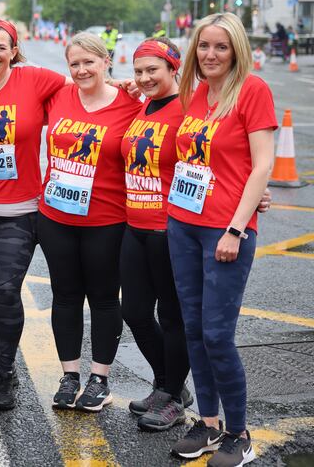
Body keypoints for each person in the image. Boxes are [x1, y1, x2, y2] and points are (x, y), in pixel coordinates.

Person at [167, 13, 276, 466]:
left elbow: (264, 164)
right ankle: (208, 425)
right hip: (183, 223)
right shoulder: (193, 94)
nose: (211, 55)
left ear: (237, 51)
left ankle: (239, 434)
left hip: (225, 229)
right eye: (205, 46)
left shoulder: (252, 90)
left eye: (222, 47)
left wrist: (236, 225)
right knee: (193, 328)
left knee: (217, 335)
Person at [0, 18, 69, 410]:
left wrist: (123, 88)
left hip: (21, 211)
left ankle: (6, 372)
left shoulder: (35, 80)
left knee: (6, 290)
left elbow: (84, 94)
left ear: (13, 51)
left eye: (1, 47)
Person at [39, 32, 141, 413]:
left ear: (106, 61)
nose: (82, 70)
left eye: (89, 62)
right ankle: (70, 377)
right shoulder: (59, 96)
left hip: (107, 219)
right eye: (75, 63)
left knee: (102, 298)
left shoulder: (131, 103)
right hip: (56, 217)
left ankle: (100, 379)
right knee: (65, 296)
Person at [119, 37, 194, 431]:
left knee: (172, 314)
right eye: (139, 71)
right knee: (133, 311)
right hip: (135, 225)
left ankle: (170, 396)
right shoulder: (144, 104)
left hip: (169, 228)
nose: (145, 78)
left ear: (173, 70)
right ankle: (169, 384)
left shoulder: (188, 109)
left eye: (154, 70)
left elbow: (212, 156)